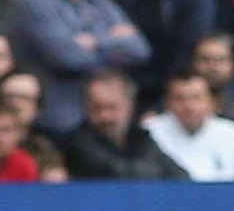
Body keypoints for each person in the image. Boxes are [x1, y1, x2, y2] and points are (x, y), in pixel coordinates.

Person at [10, 0, 151, 132]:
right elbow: (69, 57)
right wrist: (113, 41)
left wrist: (96, 42)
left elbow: (139, 50)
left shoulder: (97, 0)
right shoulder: (35, 2)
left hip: (106, 118)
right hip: (62, 120)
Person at [141, 67, 234, 181]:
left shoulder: (228, 131)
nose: (188, 106)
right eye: (180, 98)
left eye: (196, 98)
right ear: (168, 102)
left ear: (211, 102)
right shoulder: (151, 130)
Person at [58, 67, 187, 180]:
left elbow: (179, 176)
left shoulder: (140, 138)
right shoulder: (78, 142)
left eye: (112, 107)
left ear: (129, 105)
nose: (105, 116)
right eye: (96, 108)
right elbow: (118, 174)